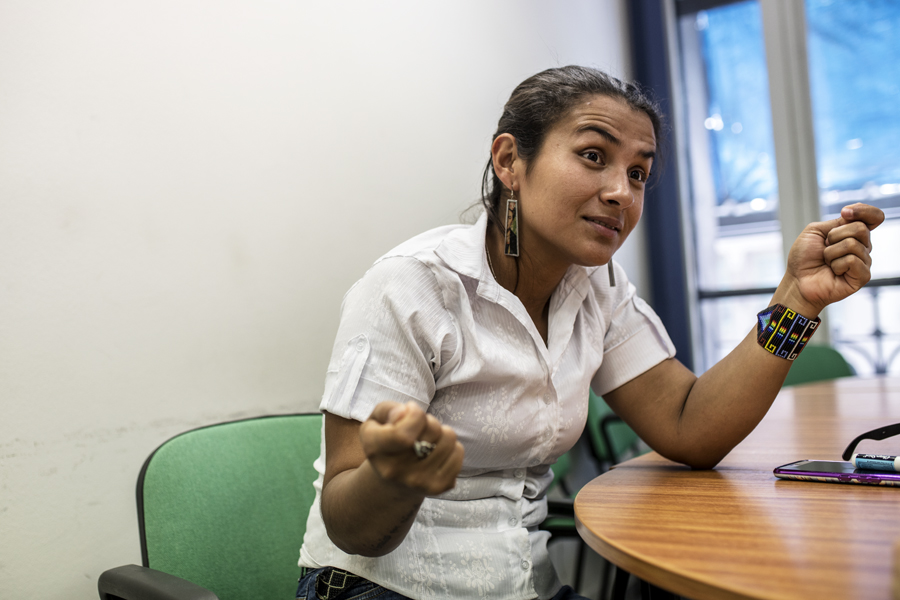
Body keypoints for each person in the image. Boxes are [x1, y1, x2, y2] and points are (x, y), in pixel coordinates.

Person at [296, 65, 884, 600]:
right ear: (509, 161)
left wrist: (796, 300)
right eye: (593, 156)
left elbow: (690, 426)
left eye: (638, 173)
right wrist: (396, 479)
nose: (621, 192)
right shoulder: (412, 286)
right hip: (376, 588)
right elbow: (350, 526)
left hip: (526, 587)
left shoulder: (598, 286)